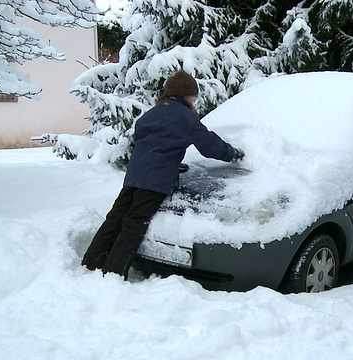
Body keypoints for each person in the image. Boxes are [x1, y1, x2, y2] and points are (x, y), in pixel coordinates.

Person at [81, 70, 245, 279]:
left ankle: (91, 261)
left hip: (134, 177)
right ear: (187, 95)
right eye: (193, 95)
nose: (194, 100)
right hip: (154, 181)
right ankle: (113, 273)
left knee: (115, 218)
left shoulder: (151, 114)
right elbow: (208, 144)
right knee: (133, 224)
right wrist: (232, 153)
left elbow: (154, 145)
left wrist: (172, 163)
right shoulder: (185, 116)